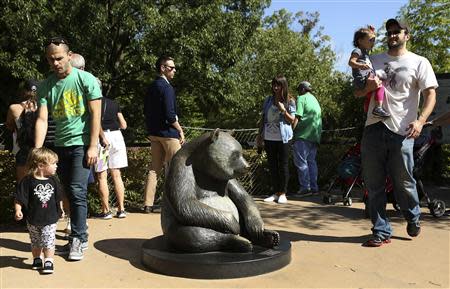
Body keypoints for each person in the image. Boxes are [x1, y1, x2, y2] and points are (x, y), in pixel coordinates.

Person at [355, 19, 438, 247]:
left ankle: (413, 216)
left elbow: (430, 94)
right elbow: (357, 92)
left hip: (402, 131)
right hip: (373, 128)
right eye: (389, 32)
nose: (392, 35)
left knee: (404, 182)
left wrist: (421, 121)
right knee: (373, 184)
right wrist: (367, 89)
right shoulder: (373, 59)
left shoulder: (419, 62)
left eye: (397, 32)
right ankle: (381, 231)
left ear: (406, 35)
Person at [34, 37, 102, 260]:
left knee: (76, 190)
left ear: (69, 55)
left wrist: (93, 144)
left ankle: (79, 239)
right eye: (50, 59)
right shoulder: (45, 85)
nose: (55, 63)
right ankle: (77, 233)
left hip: (82, 144)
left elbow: (95, 115)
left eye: (59, 58)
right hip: (60, 146)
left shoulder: (86, 79)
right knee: (66, 192)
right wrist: (37, 150)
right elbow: (42, 120)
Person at [143, 56, 185, 213]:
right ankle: (175, 204)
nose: (174, 70)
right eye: (171, 67)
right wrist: (179, 129)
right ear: (162, 68)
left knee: (154, 169)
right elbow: (170, 114)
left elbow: (145, 110)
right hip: (168, 134)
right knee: (178, 168)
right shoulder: (167, 88)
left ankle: (148, 204)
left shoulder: (152, 86)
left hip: (154, 133)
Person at [14, 147, 63, 274]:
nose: (56, 166)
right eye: (53, 164)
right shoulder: (27, 181)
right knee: (35, 241)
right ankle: (37, 258)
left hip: (50, 218)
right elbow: (20, 197)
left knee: (48, 240)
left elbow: (59, 197)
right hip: (33, 219)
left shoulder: (54, 181)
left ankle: (48, 260)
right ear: (41, 165)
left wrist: (61, 209)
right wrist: (18, 210)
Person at [257, 75, 296, 204]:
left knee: (283, 165)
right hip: (269, 137)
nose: (275, 87)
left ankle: (283, 193)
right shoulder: (268, 100)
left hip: (284, 137)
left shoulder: (290, 101)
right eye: (274, 84)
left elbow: (292, 121)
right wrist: (260, 134)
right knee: (272, 165)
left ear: (283, 86)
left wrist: (283, 110)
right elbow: (263, 118)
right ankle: (275, 192)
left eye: (278, 85)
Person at [94, 96, 128, 219]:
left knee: (102, 176)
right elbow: (123, 125)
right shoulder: (113, 103)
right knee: (117, 175)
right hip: (117, 137)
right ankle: (121, 209)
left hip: (102, 138)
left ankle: (106, 210)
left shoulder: (92, 103)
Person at [349, 26, 390, 118]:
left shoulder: (365, 53)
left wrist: (371, 32)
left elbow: (369, 36)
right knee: (380, 85)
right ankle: (378, 107)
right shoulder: (358, 51)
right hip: (362, 79)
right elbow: (351, 62)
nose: (373, 43)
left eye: (373, 40)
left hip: (364, 78)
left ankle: (367, 109)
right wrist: (360, 65)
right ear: (360, 41)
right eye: (370, 40)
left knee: (371, 92)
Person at [292, 81, 322, 196]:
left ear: (303, 89)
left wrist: (291, 132)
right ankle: (314, 188)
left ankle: (305, 188)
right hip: (315, 136)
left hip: (303, 135)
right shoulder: (315, 100)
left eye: (299, 90)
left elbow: (297, 116)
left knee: (301, 162)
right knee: (311, 162)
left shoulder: (301, 98)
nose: (298, 92)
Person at [6, 80, 39, 182]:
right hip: (41, 148)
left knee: (23, 186)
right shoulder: (44, 107)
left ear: (23, 92)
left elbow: (9, 126)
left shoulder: (14, 108)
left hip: (22, 148)